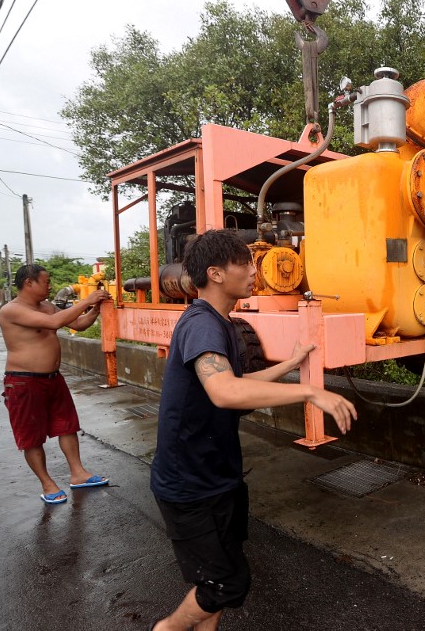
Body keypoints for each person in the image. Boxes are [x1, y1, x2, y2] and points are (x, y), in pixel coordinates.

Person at [150, 229, 357, 631]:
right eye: (243, 263)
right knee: (226, 583)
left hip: (219, 476)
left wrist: (293, 363)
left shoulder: (223, 323)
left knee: (218, 576)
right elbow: (225, 391)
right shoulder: (201, 325)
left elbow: (245, 380)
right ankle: (167, 629)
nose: (253, 270)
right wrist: (310, 391)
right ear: (215, 273)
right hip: (188, 484)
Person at [0, 263, 112, 505]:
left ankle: (78, 473)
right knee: (31, 436)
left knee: (67, 426)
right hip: (23, 381)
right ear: (29, 283)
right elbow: (54, 323)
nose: (50, 285)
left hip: (53, 378)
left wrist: (95, 309)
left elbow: (77, 324)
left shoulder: (46, 306)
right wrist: (87, 299)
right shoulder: (11, 310)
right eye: (46, 281)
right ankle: (47, 484)